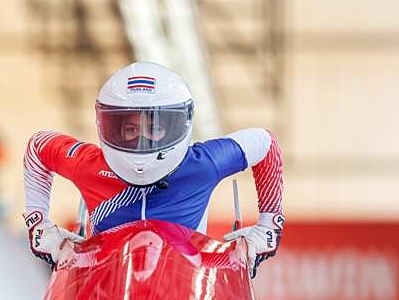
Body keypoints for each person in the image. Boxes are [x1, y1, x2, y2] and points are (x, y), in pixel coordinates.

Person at [23, 62, 284, 278]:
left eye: (154, 129)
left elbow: (266, 143)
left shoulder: (202, 165)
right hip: (107, 290)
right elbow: (38, 147)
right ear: (110, 127)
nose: (142, 142)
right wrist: (39, 225)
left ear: (177, 126)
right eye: (131, 130)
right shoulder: (90, 165)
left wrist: (269, 224)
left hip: (184, 286)